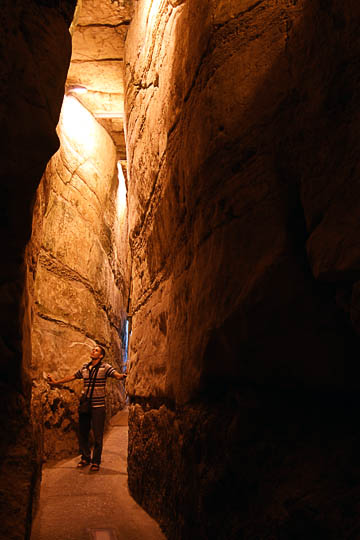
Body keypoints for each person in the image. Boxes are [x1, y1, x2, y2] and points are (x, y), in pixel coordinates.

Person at [47, 344, 126, 472]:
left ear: (101, 356)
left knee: (98, 435)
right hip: (85, 405)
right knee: (83, 432)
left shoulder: (105, 367)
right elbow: (72, 377)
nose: (93, 351)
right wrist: (56, 382)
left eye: (96, 350)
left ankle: (96, 461)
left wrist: (122, 376)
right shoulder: (84, 368)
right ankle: (85, 457)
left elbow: (116, 375)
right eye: (93, 349)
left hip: (98, 406)